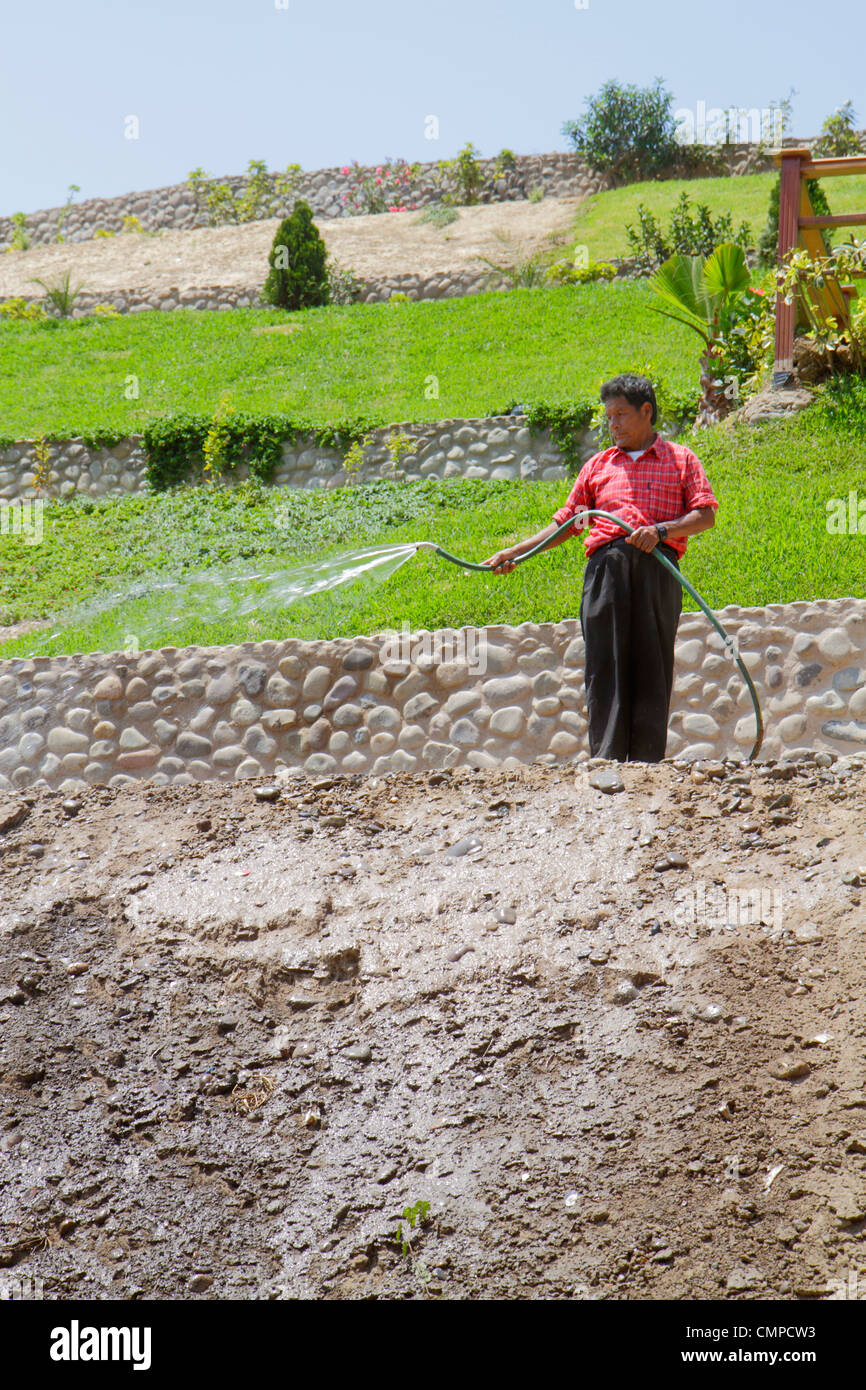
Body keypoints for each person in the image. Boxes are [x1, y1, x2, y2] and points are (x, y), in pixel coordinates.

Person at [485, 374, 718, 762]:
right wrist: (517, 551)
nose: (613, 424)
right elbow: (568, 522)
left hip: (658, 569)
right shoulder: (597, 466)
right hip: (606, 572)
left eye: (621, 414)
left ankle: (647, 763)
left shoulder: (681, 459)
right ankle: (607, 760)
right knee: (605, 662)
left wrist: (661, 531)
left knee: (652, 664)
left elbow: (704, 515)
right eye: (608, 416)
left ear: (647, 412)